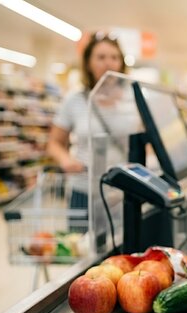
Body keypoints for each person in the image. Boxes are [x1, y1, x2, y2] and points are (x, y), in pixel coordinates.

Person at [47, 32, 134, 234]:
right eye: (101, 57)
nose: (108, 63)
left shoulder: (132, 99)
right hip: (83, 189)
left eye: (114, 57)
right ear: (88, 63)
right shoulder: (75, 99)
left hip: (123, 191)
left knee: (122, 255)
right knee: (83, 251)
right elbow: (54, 142)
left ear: (121, 63)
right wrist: (65, 160)